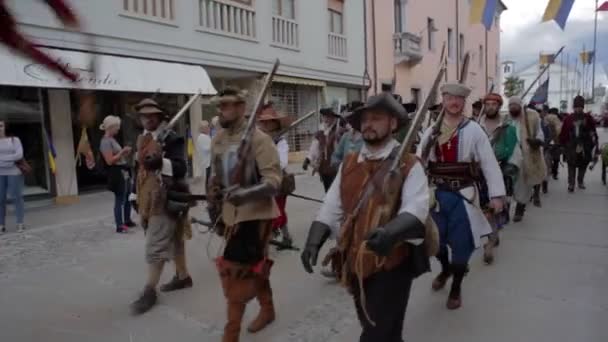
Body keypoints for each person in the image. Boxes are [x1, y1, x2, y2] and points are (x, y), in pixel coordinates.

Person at [301, 93, 429, 341]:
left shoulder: (409, 164)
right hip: (356, 261)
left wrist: (390, 233)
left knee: (374, 333)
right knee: (385, 329)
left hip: (393, 264)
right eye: (365, 119)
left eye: (377, 118)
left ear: (393, 124)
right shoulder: (349, 163)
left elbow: (417, 209)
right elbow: (331, 206)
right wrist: (313, 240)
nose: (368, 124)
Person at [418, 83, 505, 310]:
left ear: (463, 102)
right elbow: (419, 164)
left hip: (463, 197)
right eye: (449, 98)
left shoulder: (474, 130)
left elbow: (488, 162)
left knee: (461, 246)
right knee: (435, 245)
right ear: (443, 100)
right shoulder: (431, 131)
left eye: (458, 99)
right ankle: (445, 269)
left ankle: (456, 285)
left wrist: (497, 195)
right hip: (435, 197)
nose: (454, 102)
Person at [206, 87, 282, 342]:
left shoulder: (260, 140)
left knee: (236, 272)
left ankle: (231, 335)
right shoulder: (218, 140)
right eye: (220, 106)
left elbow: (274, 181)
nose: (221, 110)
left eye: (226, 105)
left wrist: (246, 194)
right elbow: (215, 176)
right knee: (254, 266)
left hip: (256, 215)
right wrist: (213, 197)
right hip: (230, 215)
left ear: (240, 108)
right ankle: (268, 309)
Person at [130, 98, 193, 315]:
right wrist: (133, 193)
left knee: (155, 245)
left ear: (160, 117)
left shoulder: (172, 139)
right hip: (148, 196)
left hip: (166, 197)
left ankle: (149, 291)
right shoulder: (143, 139)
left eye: (151, 115)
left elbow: (181, 167)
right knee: (175, 239)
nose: (147, 119)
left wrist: (161, 162)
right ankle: (183, 277)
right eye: (144, 116)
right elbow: (138, 169)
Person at [478, 93, 520, 264]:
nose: (490, 107)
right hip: (479, 174)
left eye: (493, 104)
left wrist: (505, 167)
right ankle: (492, 236)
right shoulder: (475, 127)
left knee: (496, 209)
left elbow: (513, 152)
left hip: (501, 173)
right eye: (487, 104)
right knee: (483, 210)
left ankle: (489, 243)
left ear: (498, 106)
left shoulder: (508, 128)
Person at [256, 102, 294, 249]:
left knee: (276, 211)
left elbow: (282, 163)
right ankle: (286, 237)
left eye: (268, 121)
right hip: (260, 181)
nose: (265, 124)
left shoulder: (280, 141)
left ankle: (268, 239)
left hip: (277, 182)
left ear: (274, 123)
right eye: (263, 121)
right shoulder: (259, 140)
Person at [506, 97, 546, 221]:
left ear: (520, 106)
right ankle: (505, 212)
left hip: (526, 155)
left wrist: (536, 141)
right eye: (510, 105)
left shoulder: (532, 116)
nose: (513, 108)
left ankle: (519, 209)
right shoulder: (506, 118)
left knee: (523, 184)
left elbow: (540, 133)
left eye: (515, 105)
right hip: (509, 156)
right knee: (508, 185)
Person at [99, 115, 134, 233]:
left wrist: (124, 153)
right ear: (110, 127)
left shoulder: (113, 139)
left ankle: (127, 219)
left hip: (123, 170)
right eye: (117, 127)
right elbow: (109, 161)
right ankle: (120, 225)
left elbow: (118, 157)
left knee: (128, 195)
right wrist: (122, 152)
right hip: (116, 172)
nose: (118, 129)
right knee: (120, 198)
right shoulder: (105, 142)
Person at [559, 95, 598, 192]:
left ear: (583, 107)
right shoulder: (569, 118)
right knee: (571, 164)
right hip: (571, 145)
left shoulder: (588, 118)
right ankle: (571, 184)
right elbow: (564, 132)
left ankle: (580, 181)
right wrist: (563, 144)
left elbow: (593, 130)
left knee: (583, 164)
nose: (578, 109)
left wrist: (593, 139)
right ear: (574, 107)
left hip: (584, 144)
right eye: (576, 107)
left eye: (580, 107)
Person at [303, 107, 344, 191]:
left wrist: (339, 136)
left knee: (335, 191)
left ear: (334, 118)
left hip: (336, 168)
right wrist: (308, 159)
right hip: (324, 168)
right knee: (327, 190)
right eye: (324, 116)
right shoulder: (320, 132)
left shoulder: (339, 131)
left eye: (329, 117)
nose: (326, 119)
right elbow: (314, 148)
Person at [0, 120, 25, 233]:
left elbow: (19, 155)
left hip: (14, 172)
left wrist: (2, 159)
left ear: (5, 127)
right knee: (0, 199)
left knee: (16, 198)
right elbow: (14, 156)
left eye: (0, 126)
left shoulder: (14, 140)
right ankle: (1, 225)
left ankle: (20, 223)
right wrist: (11, 158)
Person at [330, 101, 364, 168]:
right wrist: (340, 165)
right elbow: (336, 156)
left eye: (354, 117)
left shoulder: (368, 137)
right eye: (349, 118)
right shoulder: (346, 136)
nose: (350, 121)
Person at [540, 106, 562, 192]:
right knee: (546, 165)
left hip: (547, 146)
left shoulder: (550, 119)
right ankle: (544, 182)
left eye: (542, 111)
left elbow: (558, 130)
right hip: (545, 145)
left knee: (546, 165)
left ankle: (545, 182)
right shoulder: (539, 120)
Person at [196, 120, 212, 188]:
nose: (209, 128)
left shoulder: (206, 136)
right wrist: (214, 145)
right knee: (208, 179)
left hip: (208, 160)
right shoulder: (202, 137)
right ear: (203, 128)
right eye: (207, 127)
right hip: (207, 161)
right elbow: (206, 148)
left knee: (208, 179)